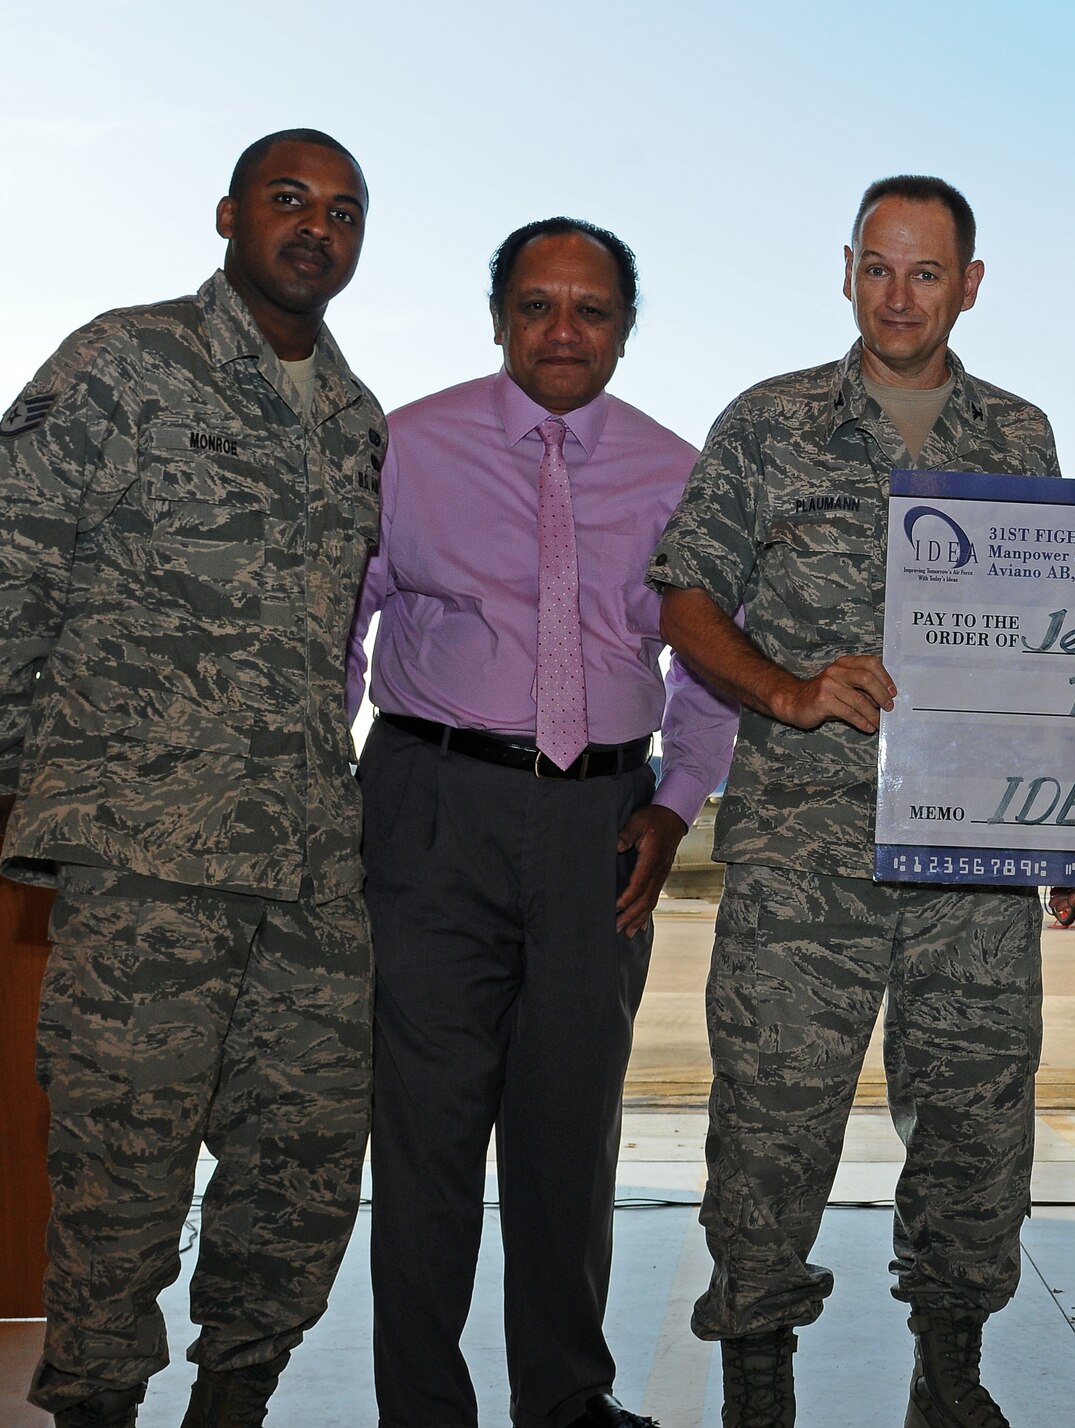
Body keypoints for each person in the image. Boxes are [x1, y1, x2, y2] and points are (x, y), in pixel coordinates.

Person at [649, 175, 1075, 1428]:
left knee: (975, 1126)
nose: (899, 297)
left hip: (975, 858)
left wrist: (1068, 823)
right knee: (771, 1125)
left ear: (969, 285)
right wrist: (784, 693)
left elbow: (1053, 638)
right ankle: (757, 1379)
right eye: (878, 268)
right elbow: (685, 595)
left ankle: (948, 1376)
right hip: (807, 848)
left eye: (926, 272)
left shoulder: (1019, 437)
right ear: (845, 270)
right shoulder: (769, 422)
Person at [0, 130, 382, 1428]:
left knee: (308, 1167)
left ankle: (237, 1401)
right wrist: (30, 787)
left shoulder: (357, 418)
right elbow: (13, 567)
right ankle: (98, 1406)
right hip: (145, 855)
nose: (316, 227)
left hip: (309, 869)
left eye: (343, 211)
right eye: (289, 199)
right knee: (121, 1179)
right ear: (228, 214)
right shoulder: (124, 360)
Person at [346, 217, 737, 1428]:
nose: (563, 331)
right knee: (425, 1136)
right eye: (536, 305)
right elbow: (339, 627)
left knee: (569, 1133)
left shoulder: (676, 472)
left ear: (625, 327)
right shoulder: (408, 446)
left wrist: (674, 804)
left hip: (601, 828)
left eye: (591, 309)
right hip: (430, 810)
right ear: (497, 317)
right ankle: (423, 1409)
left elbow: (707, 662)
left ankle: (565, 1401)